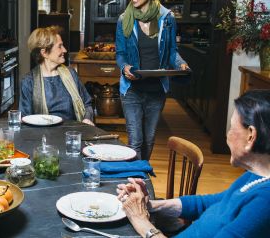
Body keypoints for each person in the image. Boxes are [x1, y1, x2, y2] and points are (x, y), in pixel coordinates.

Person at [116, 90, 270, 238]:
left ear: (251, 136)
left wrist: (141, 221)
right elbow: (207, 203)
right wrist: (150, 205)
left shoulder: (264, 204)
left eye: (231, 127)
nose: (227, 135)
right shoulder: (255, 176)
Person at [115, 0, 189, 160]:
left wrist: (181, 64)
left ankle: (142, 178)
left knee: (149, 139)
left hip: (157, 90)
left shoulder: (167, 19)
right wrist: (125, 68)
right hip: (131, 89)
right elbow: (121, 54)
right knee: (135, 141)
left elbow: (172, 52)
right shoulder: (124, 19)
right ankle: (135, 180)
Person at [19, 26, 94, 126]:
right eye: (60, 46)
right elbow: (25, 118)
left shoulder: (71, 74)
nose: (65, 50)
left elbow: (87, 104)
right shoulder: (29, 81)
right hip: (43, 136)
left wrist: (87, 119)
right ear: (44, 52)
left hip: (72, 133)